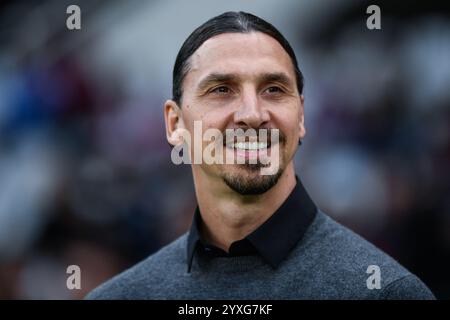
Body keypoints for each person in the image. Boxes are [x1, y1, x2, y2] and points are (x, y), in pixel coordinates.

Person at [86, 11, 434, 299]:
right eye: (222, 89)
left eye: (273, 89)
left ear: (301, 117)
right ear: (175, 123)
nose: (252, 114)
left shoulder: (385, 292)